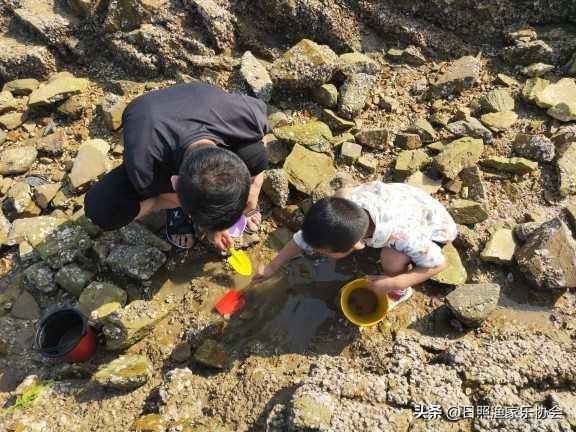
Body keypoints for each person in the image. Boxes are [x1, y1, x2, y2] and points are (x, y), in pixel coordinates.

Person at [85, 83, 269, 251]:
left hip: (199, 101)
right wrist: (210, 224)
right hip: (146, 114)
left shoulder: (246, 116)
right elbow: (159, 197)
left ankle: (198, 201)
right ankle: (178, 209)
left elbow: (262, 141)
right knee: (102, 209)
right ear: (174, 181)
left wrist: (251, 197)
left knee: (255, 155)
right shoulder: (145, 168)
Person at [252, 181, 458, 309]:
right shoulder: (345, 200)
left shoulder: (402, 236)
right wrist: (272, 267)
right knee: (343, 191)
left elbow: (437, 265)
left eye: (324, 252)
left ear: (358, 245)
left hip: (435, 224)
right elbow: (303, 238)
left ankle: (402, 292)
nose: (316, 251)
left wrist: (395, 283)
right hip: (402, 198)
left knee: (392, 260)